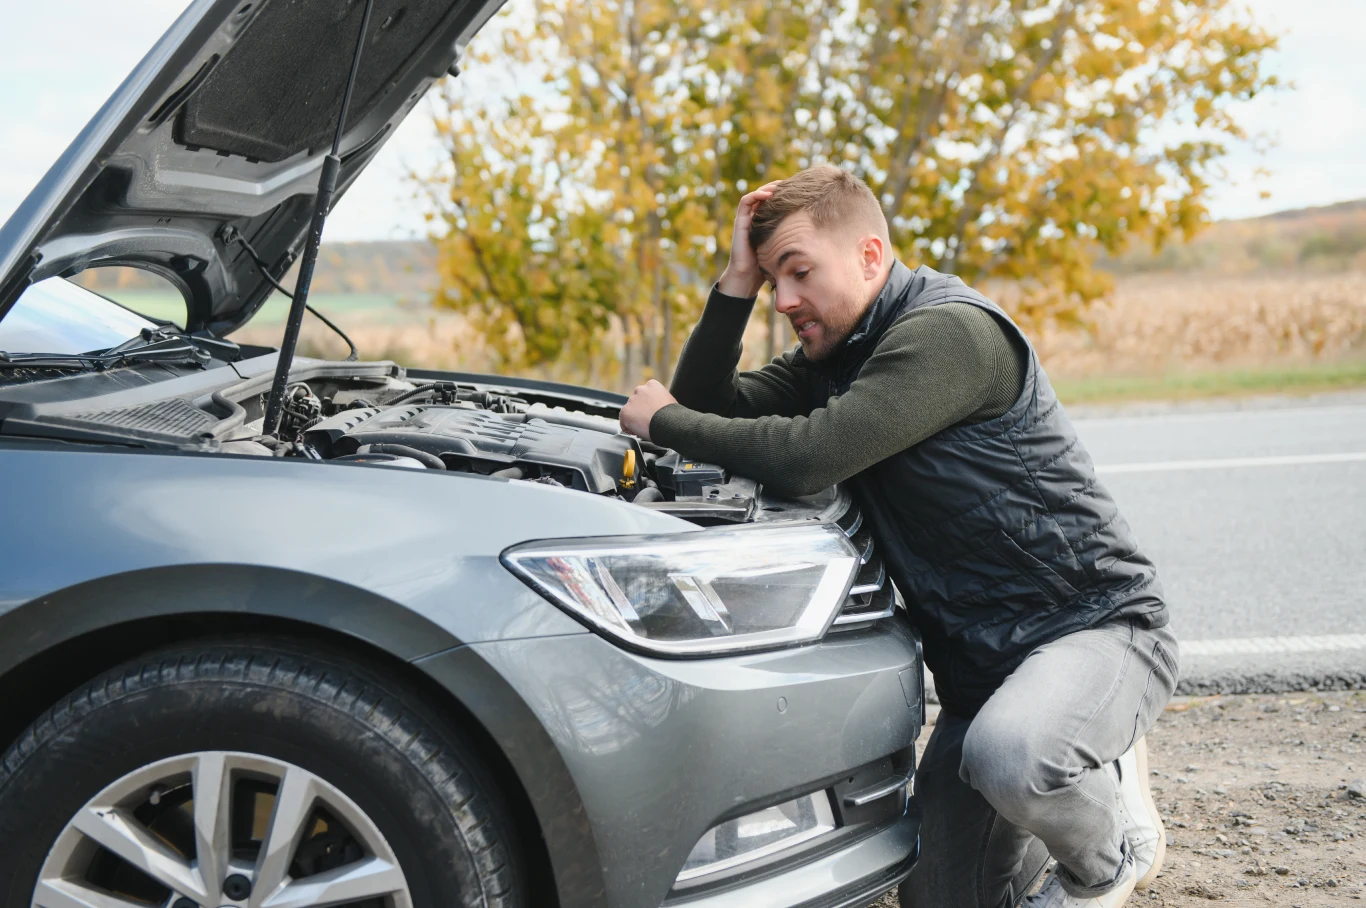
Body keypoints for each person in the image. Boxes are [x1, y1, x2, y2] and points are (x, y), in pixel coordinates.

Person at [618, 166, 1180, 908]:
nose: (785, 301)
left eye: (799, 273)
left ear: (870, 257)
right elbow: (710, 401)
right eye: (774, 282)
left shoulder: (947, 334)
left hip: (1095, 628)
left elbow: (809, 453)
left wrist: (662, 424)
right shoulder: (836, 357)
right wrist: (735, 279)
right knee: (942, 896)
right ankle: (1064, 756)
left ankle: (1111, 853)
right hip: (987, 675)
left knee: (1012, 756)